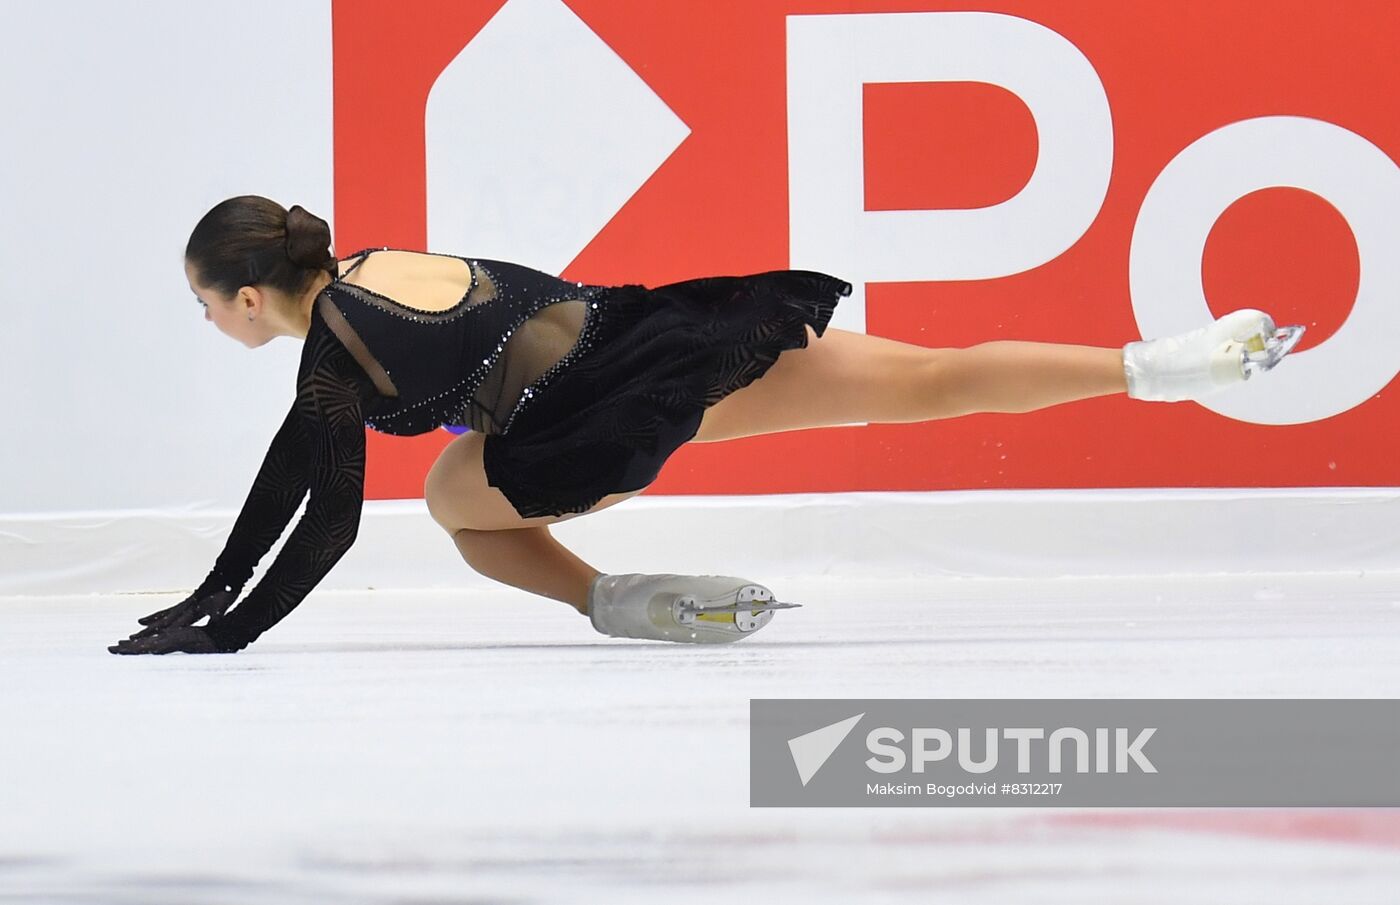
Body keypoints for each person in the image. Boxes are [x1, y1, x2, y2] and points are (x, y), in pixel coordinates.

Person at [109, 195, 1302, 655]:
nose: (207, 318)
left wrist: (225, 629)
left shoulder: (330, 362)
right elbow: (284, 494)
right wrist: (214, 593)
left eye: (203, 303)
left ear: (249, 296)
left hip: (585, 417)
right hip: (662, 334)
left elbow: (318, 528)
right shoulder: (379, 263)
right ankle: (1152, 366)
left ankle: (609, 600)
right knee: (930, 379)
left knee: (451, 500)